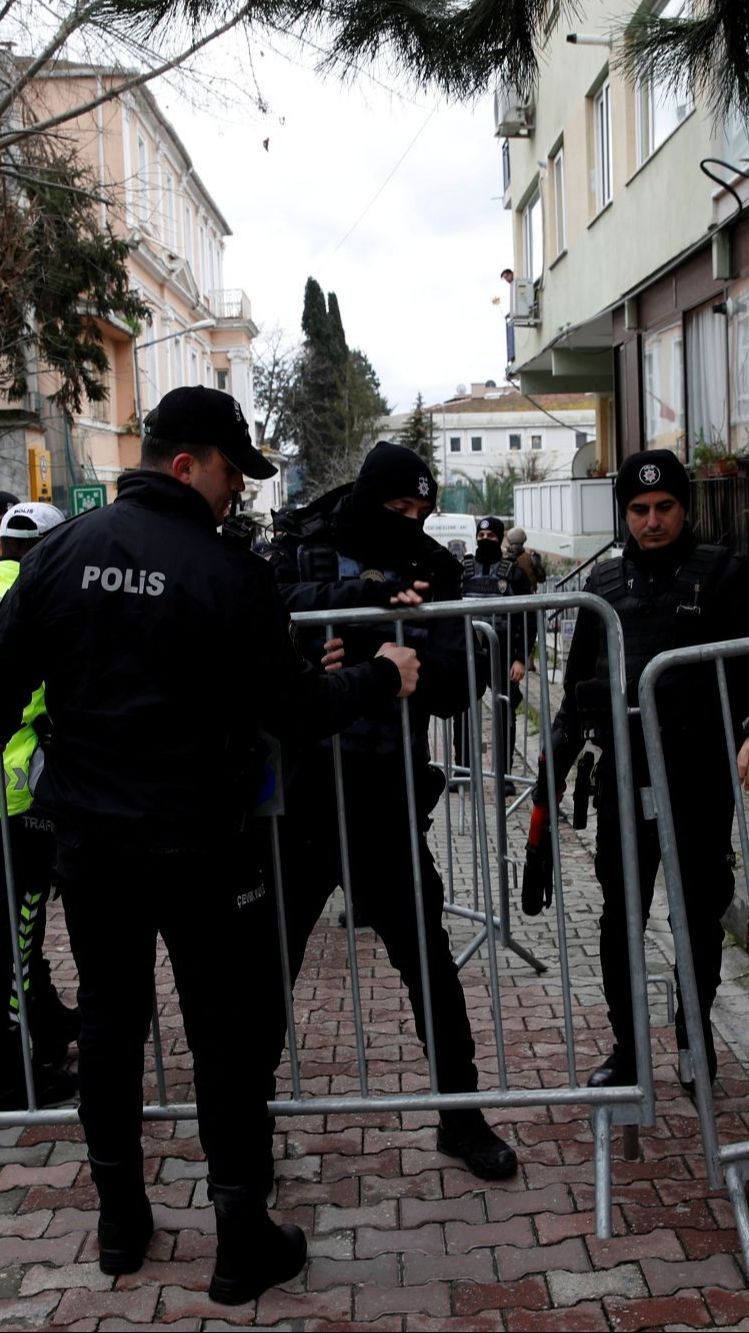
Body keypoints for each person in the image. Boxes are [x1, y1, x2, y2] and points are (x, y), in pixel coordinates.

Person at [0, 388, 418, 1305]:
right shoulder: (228, 573)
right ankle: (239, 1240)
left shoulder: (59, 555)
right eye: (233, 474)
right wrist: (381, 677)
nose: (238, 496)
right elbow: (295, 712)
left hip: (94, 843)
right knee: (224, 1039)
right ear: (185, 463)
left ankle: (121, 1223)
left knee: (111, 1024)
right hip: (205, 845)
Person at [269, 442, 519, 1181]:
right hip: (304, 791)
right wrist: (336, 637)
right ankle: (244, 1119)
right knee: (265, 967)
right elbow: (261, 630)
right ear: (365, 499)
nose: (407, 522)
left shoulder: (434, 568)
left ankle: (461, 1116)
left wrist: (391, 665)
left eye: (419, 510)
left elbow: (455, 676)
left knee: (428, 960)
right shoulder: (305, 551)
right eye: (394, 508)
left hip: (385, 791)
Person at [525, 449, 749, 1091]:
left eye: (665, 507)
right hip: (624, 784)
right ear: (624, 514)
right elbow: (574, 698)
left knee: (698, 916)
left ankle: (694, 1038)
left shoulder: (727, 576)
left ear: (685, 508)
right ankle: (628, 1050)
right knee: (622, 917)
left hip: (699, 781)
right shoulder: (603, 593)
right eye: (639, 510)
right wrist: (549, 785)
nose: (652, 521)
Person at [0, 501, 79, 1112]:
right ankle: (18, 1069)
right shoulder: (44, 598)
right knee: (21, 934)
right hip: (21, 797)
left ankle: (50, 1026)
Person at [457, 516, 535, 795]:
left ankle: (503, 776)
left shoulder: (513, 573)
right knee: (462, 710)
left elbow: (528, 618)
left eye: (491, 535)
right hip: (468, 652)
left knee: (504, 713)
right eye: (481, 534)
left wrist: (521, 658)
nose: (485, 539)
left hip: (503, 654)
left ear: (500, 539)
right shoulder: (463, 570)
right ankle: (462, 772)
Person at [504, 526, 546, 594]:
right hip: (528, 598)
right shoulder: (532, 558)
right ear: (524, 540)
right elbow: (542, 579)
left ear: (508, 540)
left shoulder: (502, 558)